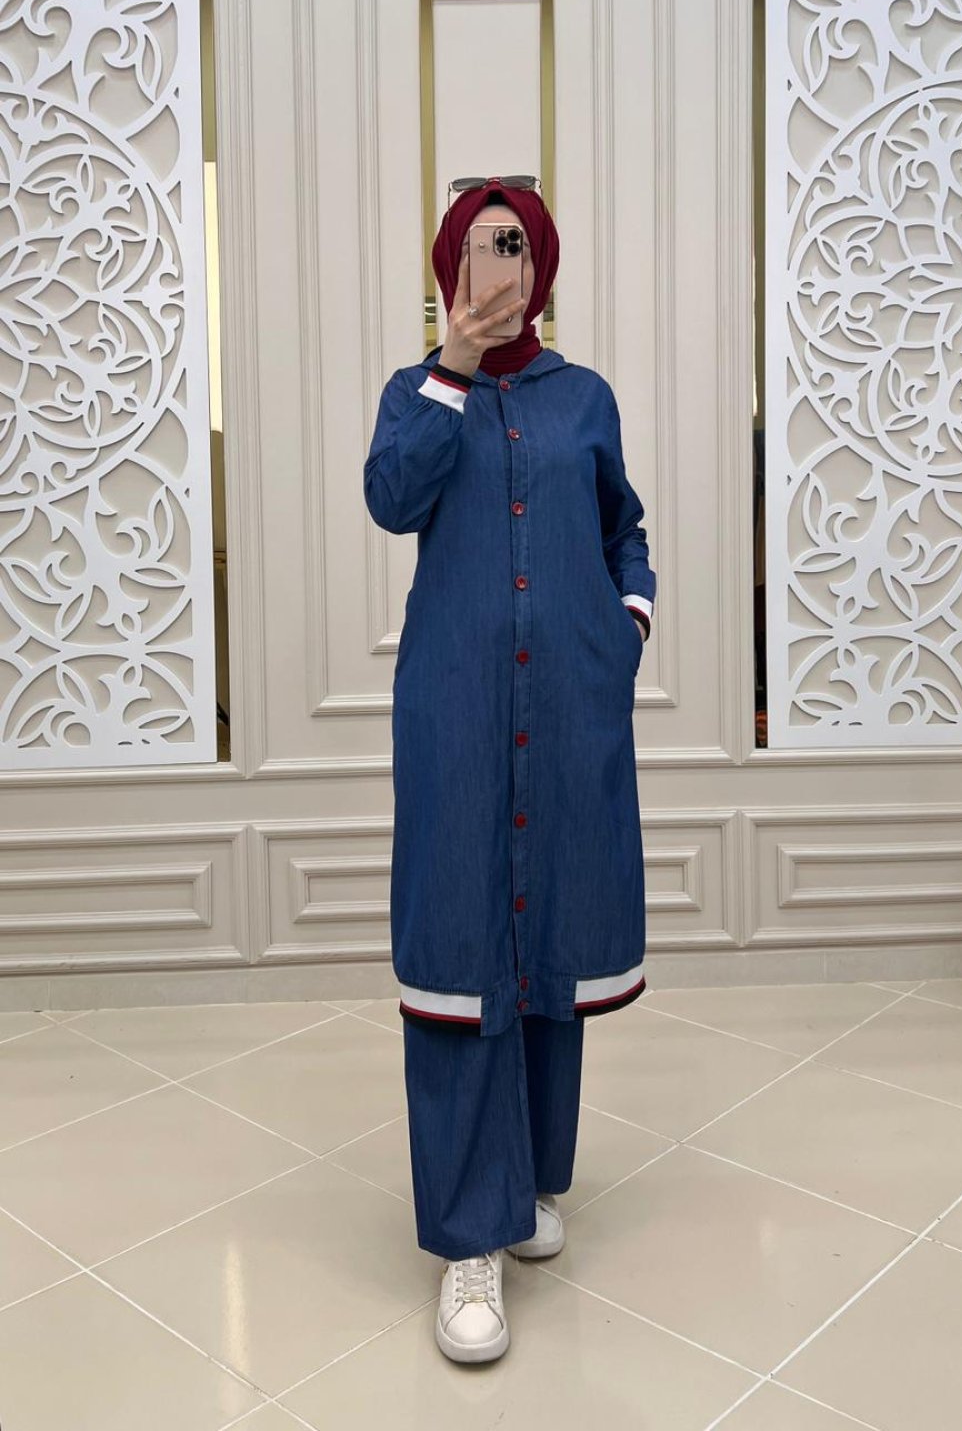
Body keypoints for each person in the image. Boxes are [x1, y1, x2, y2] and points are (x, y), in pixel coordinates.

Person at [363, 176, 656, 1364]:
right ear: (450, 268)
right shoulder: (413, 392)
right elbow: (392, 500)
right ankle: (467, 1236)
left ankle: (525, 1178)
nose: (505, 265)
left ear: (543, 268)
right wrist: (452, 363)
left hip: (571, 700)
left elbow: (622, 526)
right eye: (486, 246)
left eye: (521, 246)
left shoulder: (584, 397)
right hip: (455, 706)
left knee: (548, 941)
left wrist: (625, 620)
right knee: (461, 941)